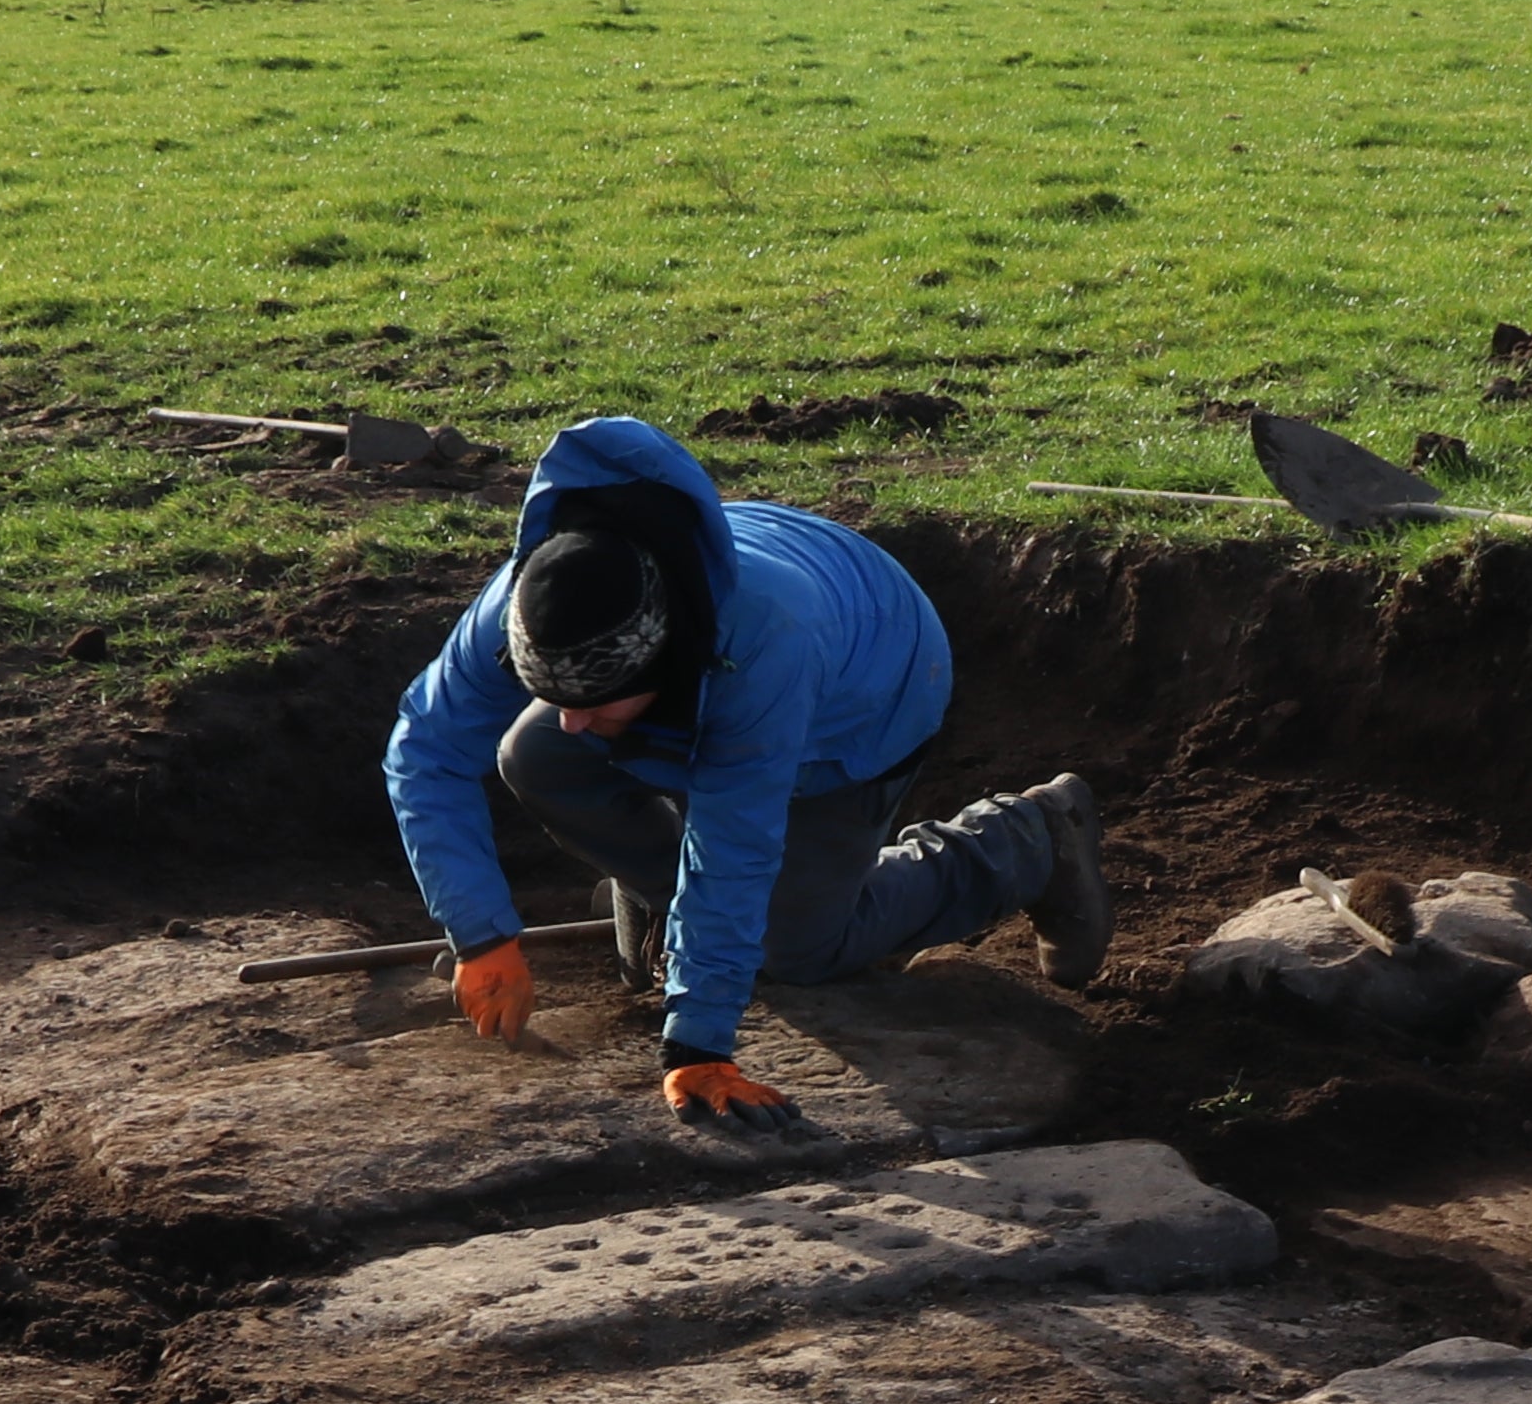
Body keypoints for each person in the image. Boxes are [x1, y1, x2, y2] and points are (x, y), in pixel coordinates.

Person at [382, 417, 1108, 1115]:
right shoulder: (533, 597)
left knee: (796, 951)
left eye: (594, 701)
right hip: (757, 616)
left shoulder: (760, 653)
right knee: (537, 752)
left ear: (661, 665)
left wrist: (697, 1046)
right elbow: (426, 750)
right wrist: (481, 935)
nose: (573, 719)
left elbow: (734, 844)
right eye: (554, 694)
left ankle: (1027, 840)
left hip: (868, 681)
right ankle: (669, 906)